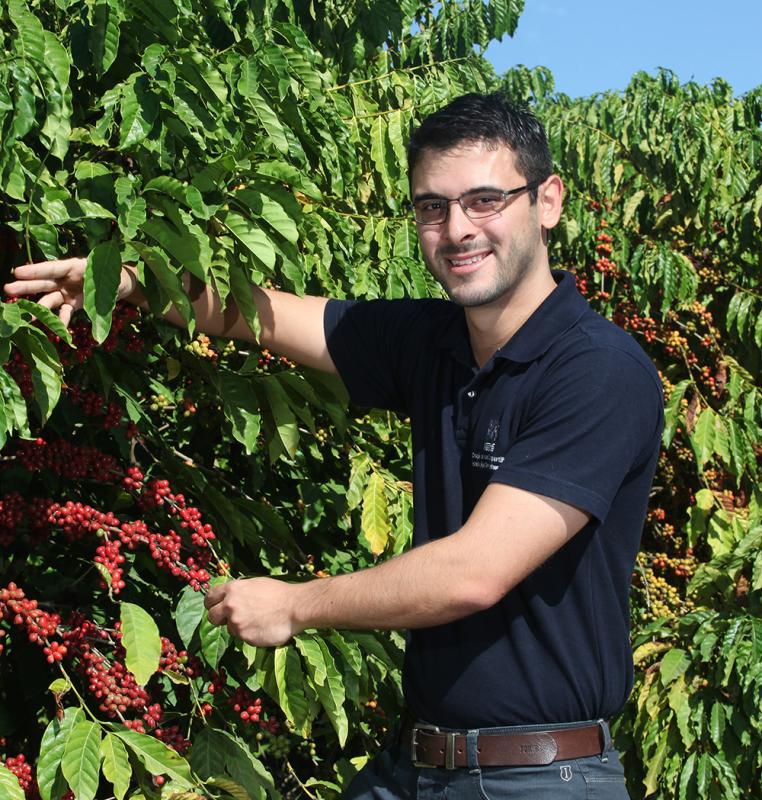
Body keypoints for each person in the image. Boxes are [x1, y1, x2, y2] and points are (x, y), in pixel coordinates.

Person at [4, 92, 663, 799]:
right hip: (420, 762)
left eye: (484, 201)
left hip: (539, 778)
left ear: (548, 201)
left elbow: (474, 571)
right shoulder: (434, 343)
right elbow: (261, 315)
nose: (457, 229)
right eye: (432, 208)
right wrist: (126, 284)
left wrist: (296, 605)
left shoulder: (597, 370)